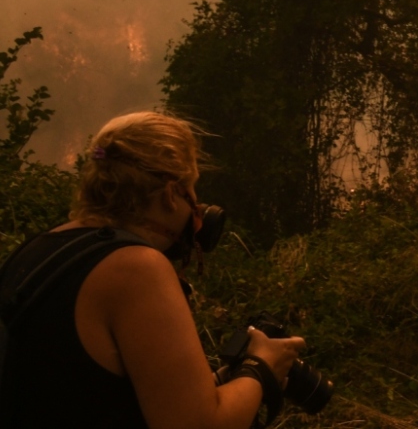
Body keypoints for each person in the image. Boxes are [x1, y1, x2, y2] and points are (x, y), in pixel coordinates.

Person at [0, 111, 305, 429]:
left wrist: (228, 380)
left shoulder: (43, 248)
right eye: (192, 189)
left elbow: (79, 395)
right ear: (171, 193)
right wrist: (262, 367)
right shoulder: (137, 267)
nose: (197, 206)